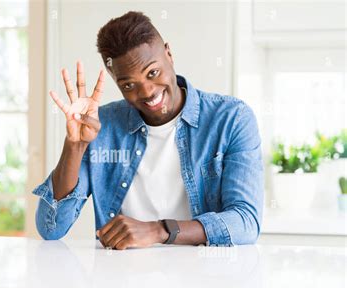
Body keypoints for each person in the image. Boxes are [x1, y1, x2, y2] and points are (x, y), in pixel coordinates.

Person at [33, 11, 264, 249]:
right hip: (119, 280)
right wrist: (75, 145)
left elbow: (246, 222)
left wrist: (159, 230)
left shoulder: (231, 118)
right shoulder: (100, 126)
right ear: (115, 80)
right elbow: (51, 229)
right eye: (129, 85)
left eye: (153, 72)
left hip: (204, 279)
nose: (147, 92)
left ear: (169, 54)